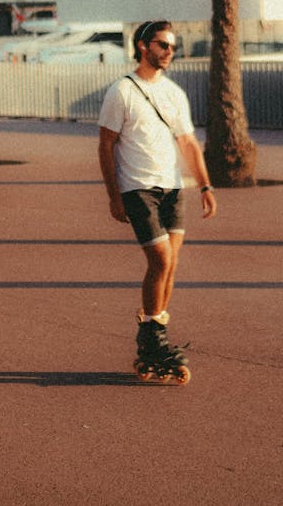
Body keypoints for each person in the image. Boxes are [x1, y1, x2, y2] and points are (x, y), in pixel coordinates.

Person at [98, 19, 216, 379]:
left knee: (172, 263)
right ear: (144, 45)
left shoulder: (174, 94)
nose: (169, 52)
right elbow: (106, 145)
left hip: (173, 187)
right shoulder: (122, 91)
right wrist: (114, 196)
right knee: (161, 261)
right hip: (138, 188)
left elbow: (189, 144)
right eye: (163, 45)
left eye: (172, 47)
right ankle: (153, 336)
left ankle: (153, 337)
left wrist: (206, 187)